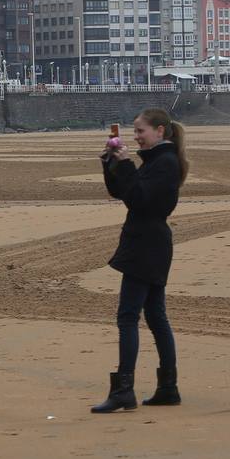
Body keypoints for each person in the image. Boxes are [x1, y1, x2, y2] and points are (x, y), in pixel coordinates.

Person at [94, 107, 189, 413]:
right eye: (134, 132)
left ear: (160, 131)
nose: (136, 137)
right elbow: (122, 192)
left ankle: (124, 389)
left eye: (140, 131)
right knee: (155, 316)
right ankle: (167, 387)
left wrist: (125, 166)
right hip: (149, 243)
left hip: (147, 244)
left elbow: (139, 199)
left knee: (128, 317)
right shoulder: (159, 161)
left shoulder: (166, 163)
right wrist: (111, 165)